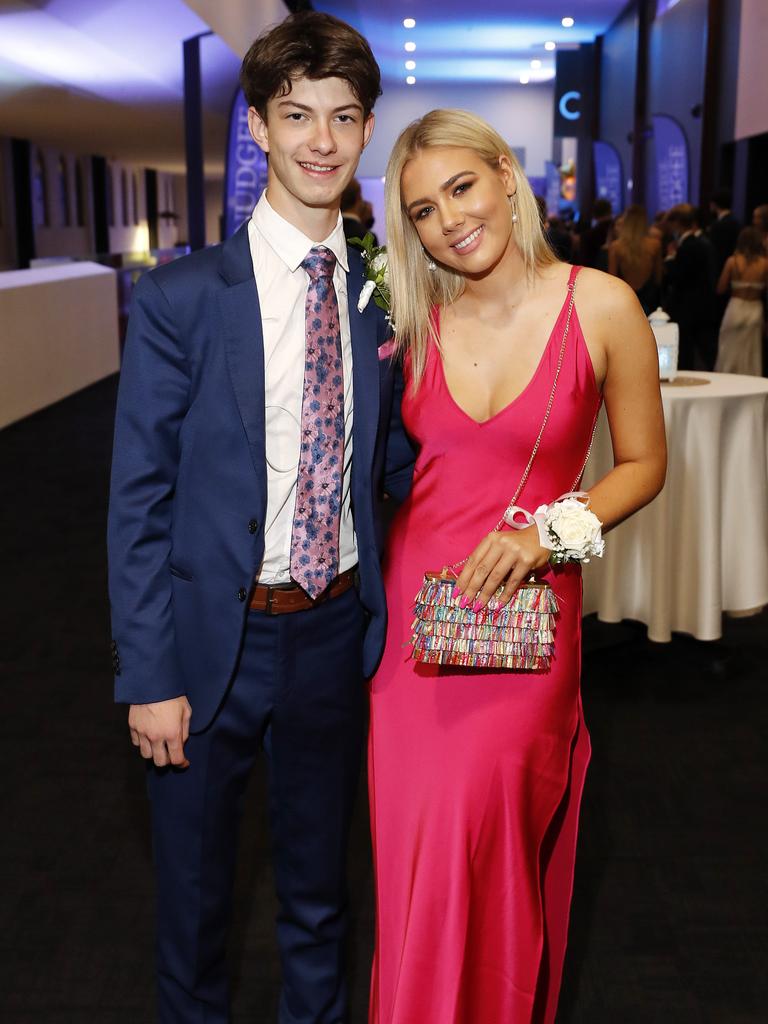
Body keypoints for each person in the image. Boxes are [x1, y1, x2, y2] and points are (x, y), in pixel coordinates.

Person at [107, 12, 413, 1023]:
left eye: (342, 116)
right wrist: (148, 674)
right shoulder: (183, 297)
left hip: (333, 631)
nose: (320, 140)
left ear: (367, 130)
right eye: (296, 116)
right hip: (206, 644)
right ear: (258, 128)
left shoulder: (384, 295)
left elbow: (399, 459)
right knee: (194, 913)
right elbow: (138, 499)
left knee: (321, 901)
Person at [368, 109, 666, 1023]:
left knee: (489, 857)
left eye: (461, 187)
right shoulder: (413, 319)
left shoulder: (600, 303)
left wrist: (550, 533)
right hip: (414, 642)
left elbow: (645, 465)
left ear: (505, 174)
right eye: (422, 210)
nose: (449, 220)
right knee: (415, 872)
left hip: (528, 631)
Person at [663, 203, 718, 369]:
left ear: (677, 224)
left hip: (687, 304)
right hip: (700, 303)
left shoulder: (687, 247)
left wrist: (670, 259)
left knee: (687, 347)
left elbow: (679, 277)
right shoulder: (700, 243)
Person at [714, 226, 768, 375]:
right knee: (752, 351)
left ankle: (726, 379)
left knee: (728, 348)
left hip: (736, 306)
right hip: (755, 308)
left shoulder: (733, 261)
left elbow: (720, 288)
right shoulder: (765, 264)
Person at [608, 203, 662, 314]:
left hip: (625, 299)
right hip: (650, 298)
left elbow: (612, 280)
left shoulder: (616, 246)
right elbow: (658, 277)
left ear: (626, 222)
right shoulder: (655, 244)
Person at [708, 188, 741, 276]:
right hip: (734, 267)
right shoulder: (737, 222)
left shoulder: (717, 225)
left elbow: (713, 250)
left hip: (719, 269)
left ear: (715, 204)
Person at [578, 197, 613, 270]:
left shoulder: (587, 236)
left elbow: (584, 264)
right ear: (610, 211)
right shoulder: (618, 233)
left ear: (594, 215)